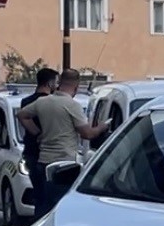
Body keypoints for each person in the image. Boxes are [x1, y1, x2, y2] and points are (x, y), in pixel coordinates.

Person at [18, 71, 106, 215]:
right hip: (63, 165)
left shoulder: (42, 102)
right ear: (76, 86)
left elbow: (21, 115)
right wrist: (102, 127)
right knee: (59, 208)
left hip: (43, 161)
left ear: (59, 83)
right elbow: (87, 134)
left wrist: (37, 132)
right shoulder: (72, 106)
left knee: (42, 204)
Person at [18, 67, 57, 217]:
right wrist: (41, 134)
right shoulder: (48, 103)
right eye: (56, 82)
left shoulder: (26, 101)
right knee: (48, 197)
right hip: (46, 154)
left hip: (31, 152)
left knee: (39, 195)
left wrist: (34, 132)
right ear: (50, 83)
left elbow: (23, 118)